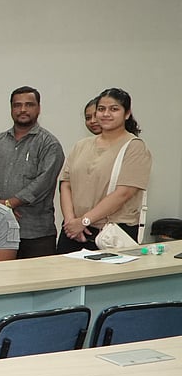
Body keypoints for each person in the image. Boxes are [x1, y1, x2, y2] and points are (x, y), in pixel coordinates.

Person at [58, 88, 152, 254]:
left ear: (127, 113)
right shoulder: (82, 145)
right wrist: (71, 221)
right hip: (73, 231)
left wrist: (85, 221)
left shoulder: (134, 147)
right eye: (101, 109)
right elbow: (66, 184)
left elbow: (124, 193)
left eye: (114, 109)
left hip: (110, 233)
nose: (106, 114)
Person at [0, 86, 65, 259]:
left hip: (36, 233)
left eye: (29, 105)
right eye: (17, 105)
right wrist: (0, 206)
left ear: (39, 108)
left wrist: (9, 204)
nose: (23, 110)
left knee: (37, 284)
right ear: (11, 109)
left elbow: (44, 182)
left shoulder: (49, 144)